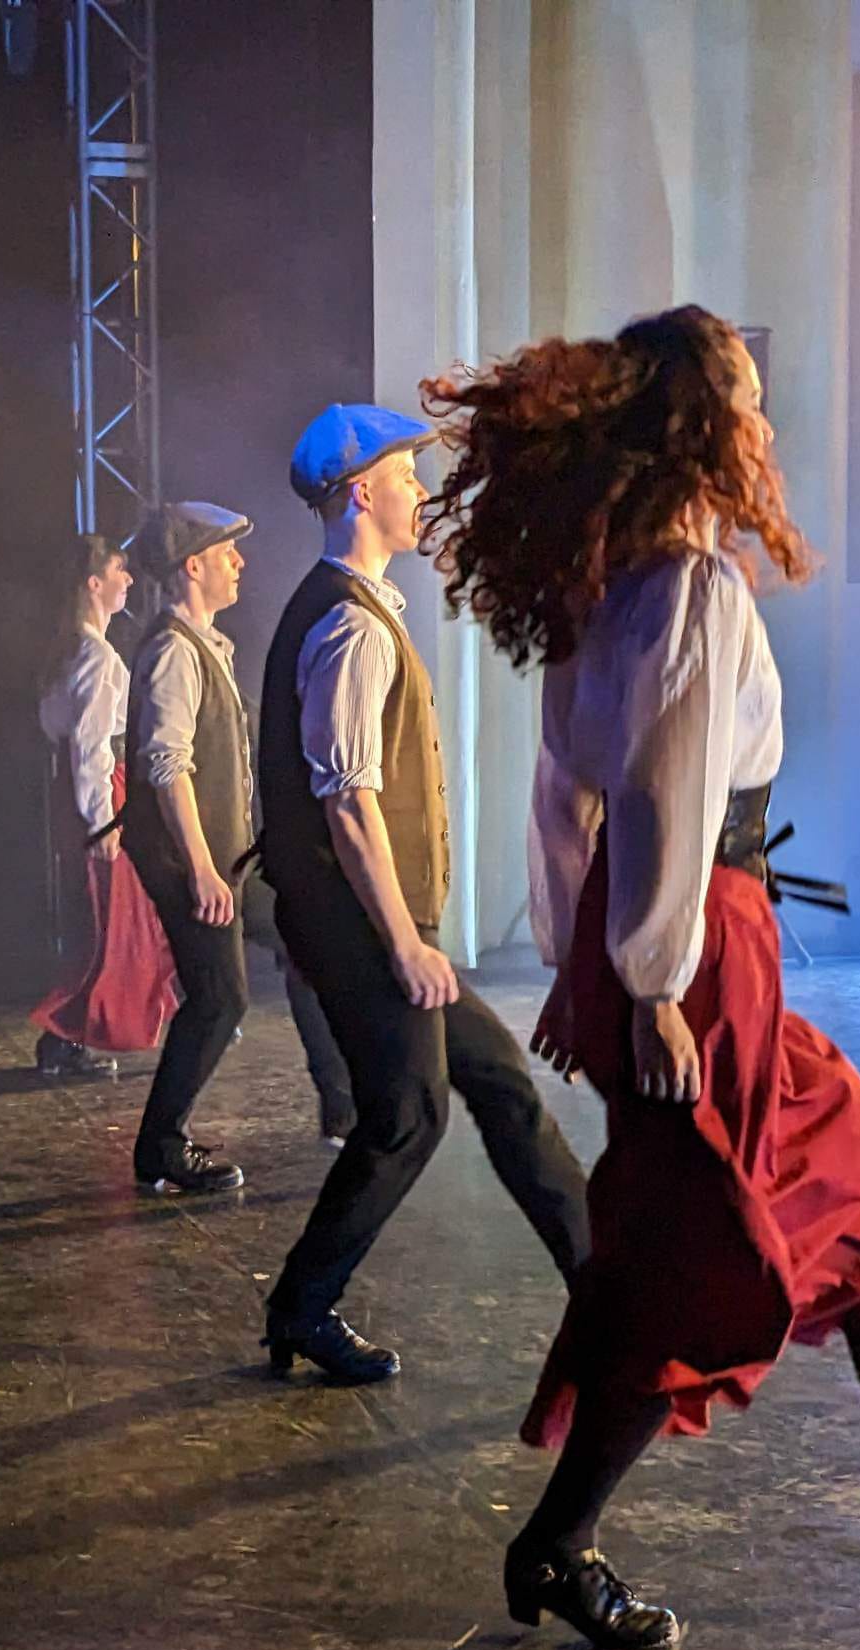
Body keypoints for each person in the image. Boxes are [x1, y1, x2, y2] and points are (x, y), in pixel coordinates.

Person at [422, 306, 860, 1650]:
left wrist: (590, 957)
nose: (763, 415)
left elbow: (564, 793)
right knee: (693, 1261)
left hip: (670, 943)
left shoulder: (615, 583)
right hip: (701, 951)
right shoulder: (688, 586)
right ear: (702, 423)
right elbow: (660, 794)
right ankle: (557, 1543)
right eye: (745, 393)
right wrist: (647, 983)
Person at [255, 404, 591, 1385]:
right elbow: (348, 804)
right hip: (363, 924)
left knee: (496, 1080)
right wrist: (405, 943)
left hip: (370, 920)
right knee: (407, 1115)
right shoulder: (349, 626)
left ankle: (602, 1281)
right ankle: (301, 1306)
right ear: (362, 493)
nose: (419, 490)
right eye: (405, 475)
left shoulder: (358, 609)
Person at [120, 503, 260, 1195]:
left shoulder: (205, 645)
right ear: (193, 565)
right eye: (228, 552)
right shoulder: (175, 651)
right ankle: (161, 1145)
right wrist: (203, 869)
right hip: (190, 860)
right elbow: (167, 765)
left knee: (287, 952)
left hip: (223, 855)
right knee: (218, 999)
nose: (240, 563)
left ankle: (349, 1098)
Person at [31, 534, 178, 1079]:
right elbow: (91, 747)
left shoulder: (71, 652)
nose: (129, 579)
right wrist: (103, 822)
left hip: (84, 794)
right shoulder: (95, 656)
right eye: (119, 570)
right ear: (94, 583)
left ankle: (72, 1037)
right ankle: (66, 1037)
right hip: (100, 795)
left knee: (107, 923)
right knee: (110, 926)